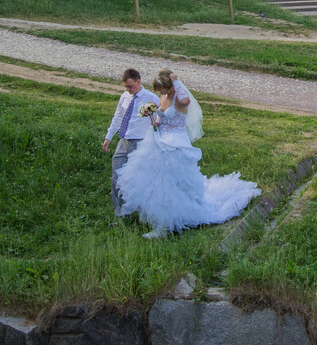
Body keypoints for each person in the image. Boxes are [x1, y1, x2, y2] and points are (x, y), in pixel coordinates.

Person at [116, 69, 261, 238]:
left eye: (162, 89)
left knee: (171, 183)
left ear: (170, 87)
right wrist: (154, 119)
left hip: (175, 142)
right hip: (160, 140)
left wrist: (176, 82)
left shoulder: (179, 97)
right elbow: (162, 118)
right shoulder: (163, 97)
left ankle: (166, 225)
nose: (159, 93)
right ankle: (160, 218)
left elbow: (186, 102)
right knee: (157, 181)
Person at [103, 68, 159, 218]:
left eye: (130, 86)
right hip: (124, 141)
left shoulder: (151, 98)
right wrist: (109, 136)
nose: (128, 89)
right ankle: (121, 214)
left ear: (138, 81)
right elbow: (118, 117)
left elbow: (160, 118)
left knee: (138, 181)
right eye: (125, 87)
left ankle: (142, 215)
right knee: (116, 178)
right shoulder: (125, 97)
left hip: (140, 143)